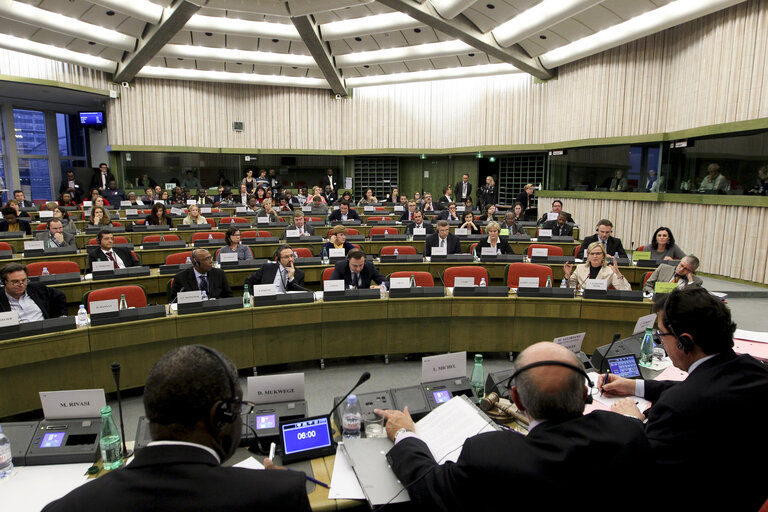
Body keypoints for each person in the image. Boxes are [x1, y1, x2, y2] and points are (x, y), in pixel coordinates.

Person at [376, 341, 652, 512]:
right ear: (585, 395)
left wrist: (403, 433)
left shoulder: (489, 454)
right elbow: (628, 427)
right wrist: (630, 419)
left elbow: (428, 486)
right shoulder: (627, 433)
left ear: (516, 399)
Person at [42, 344, 311, 512]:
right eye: (239, 407)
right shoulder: (279, 494)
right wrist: (277, 479)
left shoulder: (66, 507)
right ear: (221, 416)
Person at [599, 287, 768, 511]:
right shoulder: (754, 369)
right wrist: (633, 385)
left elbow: (644, 475)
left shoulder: (676, 408)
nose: (661, 342)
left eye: (661, 335)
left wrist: (634, 422)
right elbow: (701, 388)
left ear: (683, 341)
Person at [0, 263, 66, 321]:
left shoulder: (37, 288)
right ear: (4, 282)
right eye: (15, 282)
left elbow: (59, 295)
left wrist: (60, 316)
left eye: (24, 280)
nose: (21, 284)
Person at [563, 241, 630, 291]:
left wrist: (618, 274)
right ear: (588, 256)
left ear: (603, 255)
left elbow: (626, 291)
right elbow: (568, 289)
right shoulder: (580, 268)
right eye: (592, 254)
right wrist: (567, 276)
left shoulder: (610, 271)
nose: (595, 256)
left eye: (598, 253)